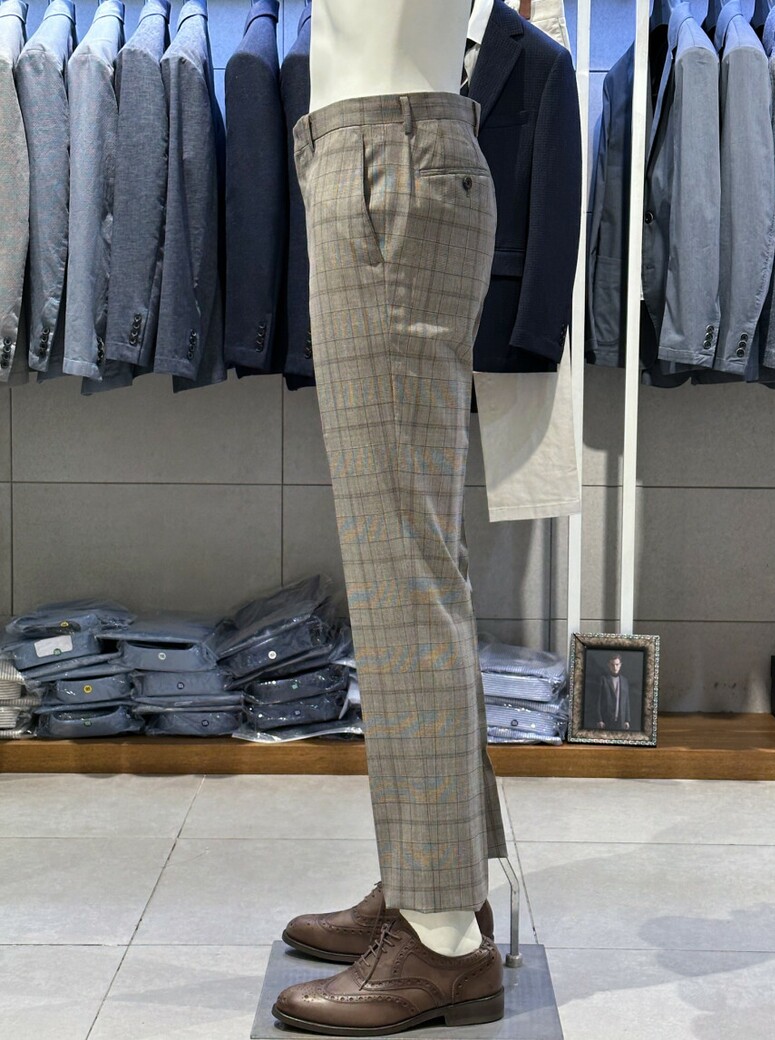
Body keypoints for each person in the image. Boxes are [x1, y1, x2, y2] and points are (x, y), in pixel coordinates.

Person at [270, 1, 508, 1034]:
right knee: (412, 559)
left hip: (387, 161)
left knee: (400, 566)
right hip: (380, 153)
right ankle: (432, 879)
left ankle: (442, 937)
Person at [597, 653, 632, 731]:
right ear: (608, 665)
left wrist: (627, 720)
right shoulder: (603, 679)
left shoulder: (624, 681)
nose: (615, 667)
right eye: (612, 665)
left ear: (620, 665)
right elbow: (598, 701)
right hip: (606, 720)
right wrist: (599, 719)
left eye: (617, 664)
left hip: (621, 720)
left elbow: (626, 701)